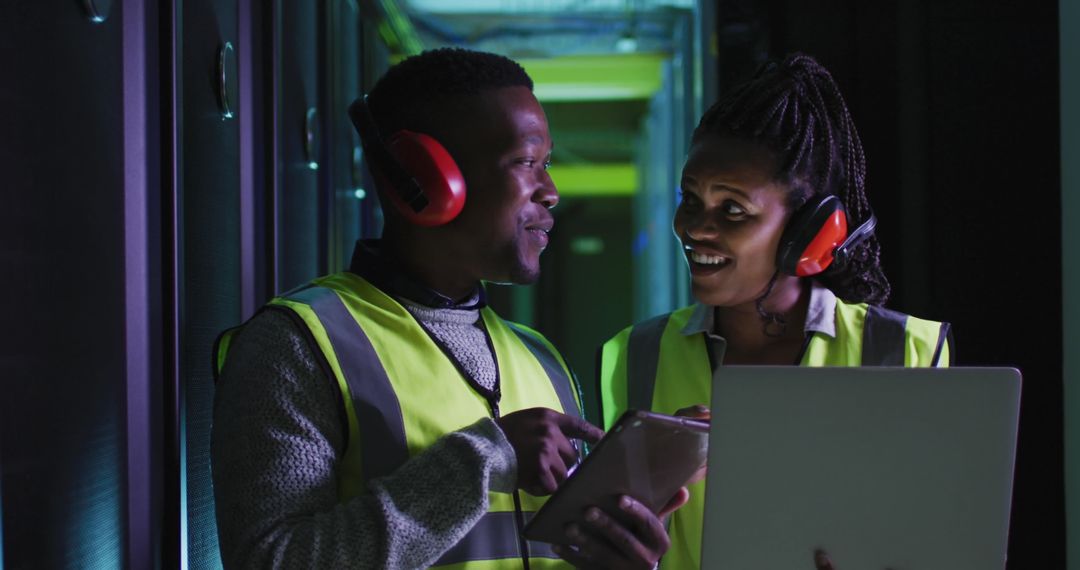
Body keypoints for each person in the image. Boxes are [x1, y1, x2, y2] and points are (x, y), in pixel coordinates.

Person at [211, 47, 679, 569]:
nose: (550, 192)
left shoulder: (540, 357)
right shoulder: (298, 344)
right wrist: (486, 458)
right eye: (526, 163)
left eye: (546, 166)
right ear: (424, 177)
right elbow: (272, 561)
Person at [597, 53, 953, 569]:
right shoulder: (634, 353)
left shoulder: (908, 350)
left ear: (810, 233)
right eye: (690, 198)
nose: (694, 227)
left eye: (733, 209)